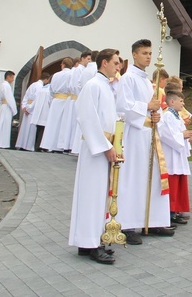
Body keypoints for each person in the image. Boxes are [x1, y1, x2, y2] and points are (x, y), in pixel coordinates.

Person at [116, 39, 173, 245]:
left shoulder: (147, 81)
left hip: (149, 133)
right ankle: (128, 224)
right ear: (134, 55)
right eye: (144, 53)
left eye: (150, 53)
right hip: (134, 134)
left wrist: (155, 115)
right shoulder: (127, 79)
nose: (148, 56)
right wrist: (146, 106)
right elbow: (123, 107)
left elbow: (151, 109)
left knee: (152, 176)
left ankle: (153, 220)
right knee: (134, 178)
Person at [69, 49, 120, 265]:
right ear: (104, 62)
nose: (119, 67)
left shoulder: (105, 86)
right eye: (116, 63)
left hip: (104, 146)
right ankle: (90, 244)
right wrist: (105, 146)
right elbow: (87, 118)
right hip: (95, 149)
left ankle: (89, 241)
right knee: (91, 196)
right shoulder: (93, 85)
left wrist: (116, 144)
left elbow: (109, 118)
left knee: (99, 196)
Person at [158, 91, 192, 225]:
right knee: (173, 184)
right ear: (172, 102)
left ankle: (177, 211)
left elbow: (179, 133)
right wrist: (183, 136)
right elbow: (167, 135)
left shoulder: (177, 117)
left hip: (178, 155)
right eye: (181, 101)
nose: (183, 104)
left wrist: (188, 137)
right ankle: (170, 213)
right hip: (171, 155)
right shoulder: (168, 116)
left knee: (180, 183)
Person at [40, 58, 73, 152]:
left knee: (52, 124)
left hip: (55, 100)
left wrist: (51, 101)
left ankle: (49, 145)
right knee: (62, 124)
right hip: (66, 100)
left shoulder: (56, 75)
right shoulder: (71, 74)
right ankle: (60, 146)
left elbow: (51, 90)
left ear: (62, 65)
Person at [16, 73, 49, 151]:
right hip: (33, 110)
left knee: (25, 128)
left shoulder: (32, 85)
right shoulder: (40, 87)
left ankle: (22, 144)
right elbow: (37, 100)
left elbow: (26, 96)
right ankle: (28, 146)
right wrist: (30, 108)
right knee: (31, 129)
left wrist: (24, 107)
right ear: (46, 79)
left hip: (27, 107)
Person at [29, 73, 52, 152]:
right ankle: (41, 146)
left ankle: (36, 146)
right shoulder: (49, 91)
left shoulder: (42, 89)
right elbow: (50, 102)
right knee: (43, 130)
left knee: (39, 129)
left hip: (39, 113)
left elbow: (35, 101)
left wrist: (29, 108)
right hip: (46, 113)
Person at [0, 71, 17, 149]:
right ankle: (2, 143)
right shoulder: (6, 86)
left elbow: (0, 98)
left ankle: (0, 142)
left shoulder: (2, 85)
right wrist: (14, 110)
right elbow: (10, 99)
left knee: (2, 123)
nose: (13, 80)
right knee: (5, 125)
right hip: (7, 106)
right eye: (12, 78)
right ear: (8, 77)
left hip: (4, 105)